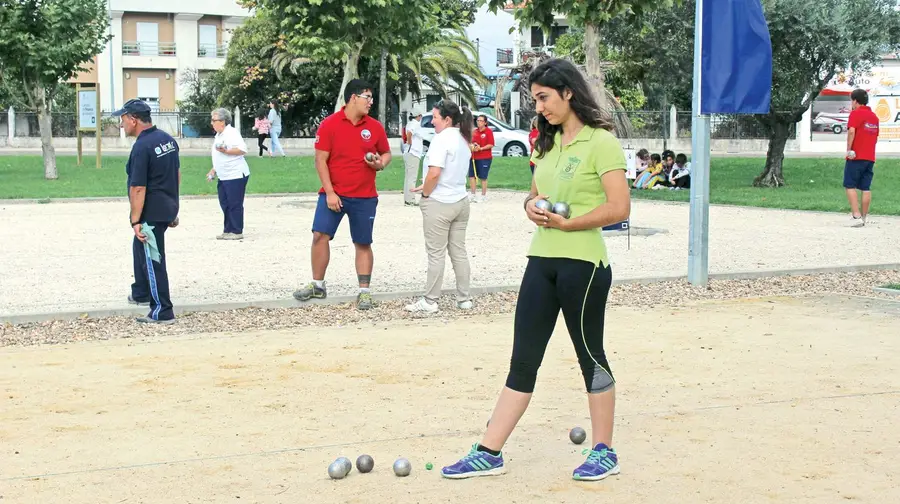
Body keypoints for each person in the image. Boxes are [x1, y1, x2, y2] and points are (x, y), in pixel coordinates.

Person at [441, 58, 630, 481]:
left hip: (583, 264)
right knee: (523, 359)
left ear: (568, 92)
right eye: (535, 99)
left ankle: (604, 451)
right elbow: (535, 193)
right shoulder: (546, 142)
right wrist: (531, 206)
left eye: (544, 98)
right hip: (541, 261)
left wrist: (570, 222)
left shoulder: (602, 142)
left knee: (590, 356)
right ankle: (489, 451)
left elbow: (619, 207)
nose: (538, 107)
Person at [293, 79, 392, 311]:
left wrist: (380, 163)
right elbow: (320, 160)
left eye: (371, 98)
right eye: (367, 97)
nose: (371, 102)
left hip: (365, 196)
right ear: (353, 98)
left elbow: (386, 153)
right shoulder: (330, 124)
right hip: (334, 194)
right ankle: (318, 285)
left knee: (363, 242)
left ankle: (364, 292)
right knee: (319, 235)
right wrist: (329, 192)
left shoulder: (375, 127)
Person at [406, 99, 475, 313]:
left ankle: (430, 300)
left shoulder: (441, 139)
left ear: (447, 119)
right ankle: (464, 298)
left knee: (436, 253)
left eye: (435, 117)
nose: (432, 121)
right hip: (460, 201)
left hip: (440, 202)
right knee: (459, 251)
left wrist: (426, 193)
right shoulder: (464, 139)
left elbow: (435, 172)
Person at [116, 99, 181, 325]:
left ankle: (162, 310)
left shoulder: (142, 147)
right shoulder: (167, 140)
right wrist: (174, 208)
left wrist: (135, 220)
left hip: (150, 212)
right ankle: (141, 292)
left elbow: (138, 187)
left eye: (123, 119)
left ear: (133, 119)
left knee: (153, 260)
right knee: (140, 250)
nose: (121, 124)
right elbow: (177, 174)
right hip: (166, 206)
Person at [206, 107, 251, 240]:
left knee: (234, 203)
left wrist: (226, 151)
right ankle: (228, 229)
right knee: (224, 202)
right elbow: (219, 156)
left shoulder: (232, 133)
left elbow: (243, 150)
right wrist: (214, 169)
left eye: (214, 120)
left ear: (223, 121)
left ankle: (237, 231)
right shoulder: (219, 135)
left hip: (235, 174)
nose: (212, 123)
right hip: (223, 174)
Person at [844, 88, 879, 227]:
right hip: (870, 156)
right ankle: (864, 217)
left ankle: (856, 215)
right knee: (866, 187)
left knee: (849, 184)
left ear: (855, 101)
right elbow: (875, 136)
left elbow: (852, 131)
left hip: (856, 156)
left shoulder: (855, 114)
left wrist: (849, 149)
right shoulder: (874, 117)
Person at [469, 114, 495, 202]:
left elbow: (491, 144)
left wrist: (481, 148)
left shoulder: (488, 132)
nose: (479, 122)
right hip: (473, 157)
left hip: (484, 157)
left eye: (481, 121)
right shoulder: (474, 132)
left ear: (485, 122)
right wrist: (472, 146)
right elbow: (471, 142)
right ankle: (473, 194)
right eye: (478, 121)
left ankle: (483, 196)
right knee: (472, 175)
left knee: (483, 177)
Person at [404, 107, 426, 206]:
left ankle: (407, 198)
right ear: (419, 116)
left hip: (409, 152)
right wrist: (410, 143)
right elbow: (409, 133)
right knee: (412, 178)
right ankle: (411, 200)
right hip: (413, 153)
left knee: (408, 177)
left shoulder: (410, 123)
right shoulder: (415, 124)